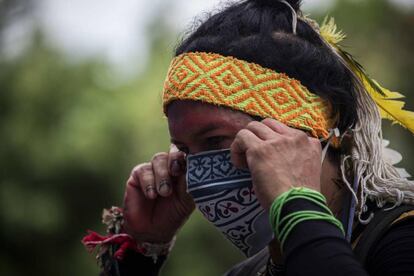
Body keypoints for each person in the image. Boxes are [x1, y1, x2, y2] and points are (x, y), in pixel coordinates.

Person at [82, 0, 414, 275]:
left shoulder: (400, 240)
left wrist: (296, 204)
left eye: (214, 141)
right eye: (183, 150)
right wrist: (143, 250)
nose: (197, 173)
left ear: (318, 124)